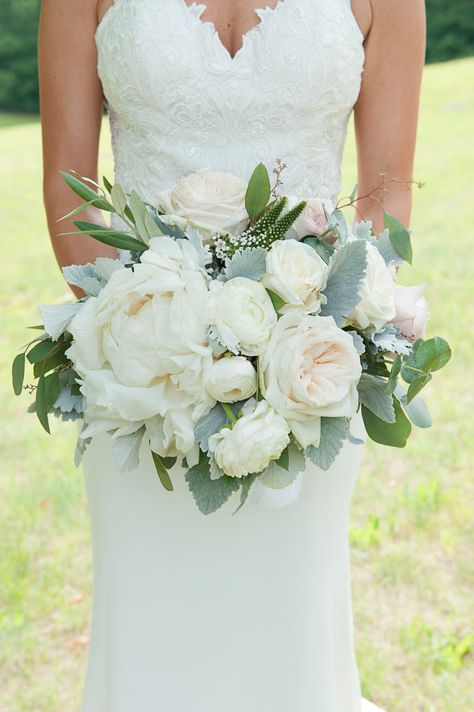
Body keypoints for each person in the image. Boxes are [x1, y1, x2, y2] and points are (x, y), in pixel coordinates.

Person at [38, 1, 426, 710]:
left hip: (309, 377)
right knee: (153, 625)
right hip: (139, 381)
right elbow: (73, 194)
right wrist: (141, 339)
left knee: (289, 627)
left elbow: (384, 191)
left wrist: (327, 328)